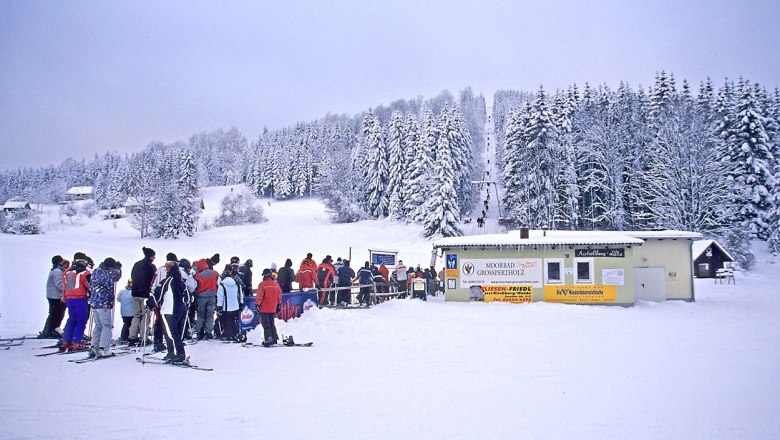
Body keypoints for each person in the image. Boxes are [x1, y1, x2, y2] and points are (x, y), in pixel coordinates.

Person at [149, 260, 189, 364]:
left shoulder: (167, 281)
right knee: (174, 331)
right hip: (179, 309)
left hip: (168, 310)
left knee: (170, 333)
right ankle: (174, 352)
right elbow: (188, 297)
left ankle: (177, 354)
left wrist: (150, 303)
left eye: (167, 268)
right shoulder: (181, 281)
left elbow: (157, 294)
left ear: (169, 269)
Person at [89, 258, 122, 358]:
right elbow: (116, 277)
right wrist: (118, 268)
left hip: (95, 303)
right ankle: (104, 348)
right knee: (106, 326)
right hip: (103, 304)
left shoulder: (96, 272)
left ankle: (94, 346)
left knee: (98, 326)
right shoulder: (106, 273)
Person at [60, 256, 92, 352]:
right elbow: (89, 286)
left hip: (70, 298)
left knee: (72, 320)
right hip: (80, 298)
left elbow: (68, 286)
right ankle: (76, 342)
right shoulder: (84, 272)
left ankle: (66, 341)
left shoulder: (68, 272)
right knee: (81, 321)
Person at [129, 247, 156, 347]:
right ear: (150, 256)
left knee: (136, 315)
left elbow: (132, 276)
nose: (154, 257)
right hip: (145, 294)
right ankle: (143, 337)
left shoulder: (137, 264)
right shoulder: (151, 267)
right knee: (145, 316)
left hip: (135, 292)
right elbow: (153, 280)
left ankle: (132, 336)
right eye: (153, 256)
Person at [40, 255, 67, 339]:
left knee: (53, 314)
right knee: (55, 314)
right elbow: (59, 284)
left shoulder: (55, 270)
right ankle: (51, 331)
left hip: (52, 295)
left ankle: (49, 330)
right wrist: (68, 288)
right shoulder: (57, 271)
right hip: (55, 296)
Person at [193, 258, 219, 340]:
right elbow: (218, 284)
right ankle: (208, 332)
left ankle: (199, 332)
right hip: (212, 297)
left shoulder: (197, 276)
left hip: (201, 297)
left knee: (200, 315)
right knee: (210, 315)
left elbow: (194, 287)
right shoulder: (215, 273)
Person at [256, 268, 282, 346]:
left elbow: (259, 296)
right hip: (273, 307)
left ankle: (269, 338)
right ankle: (274, 338)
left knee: (266, 324)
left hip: (264, 308)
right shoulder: (276, 285)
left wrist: (257, 304)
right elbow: (279, 296)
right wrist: (278, 305)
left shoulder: (262, 284)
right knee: (272, 323)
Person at [217, 269, 243, 341]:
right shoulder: (236, 284)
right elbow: (240, 294)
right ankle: (235, 333)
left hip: (226, 307)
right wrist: (241, 302)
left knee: (227, 321)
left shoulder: (222, 285)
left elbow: (220, 297)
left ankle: (228, 335)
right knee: (234, 320)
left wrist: (219, 306)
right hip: (236, 306)